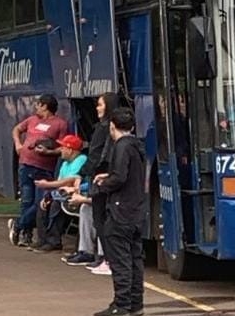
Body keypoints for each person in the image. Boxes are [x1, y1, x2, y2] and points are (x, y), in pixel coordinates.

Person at [94, 107, 146, 316]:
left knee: (120, 260)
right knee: (135, 259)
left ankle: (122, 304)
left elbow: (120, 177)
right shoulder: (136, 146)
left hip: (120, 210)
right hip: (136, 210)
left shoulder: (120, 147)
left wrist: (102, 185)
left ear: (112, 126)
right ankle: (135, 303)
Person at [8, 93, 68, 247]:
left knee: (39, 202)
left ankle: (18, 224)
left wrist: (49, 152)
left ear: (45, 106)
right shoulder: (31, 120)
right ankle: (25, 234)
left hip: (44, 168)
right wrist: (18, 144)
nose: (36, 107)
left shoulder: (60, 124)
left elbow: (63, 147)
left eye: (38, 104)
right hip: (25, 164)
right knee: (26, 200)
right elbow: (16, 129)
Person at [76, 92, 118, 272]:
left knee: (100, 218)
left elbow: (98, 155)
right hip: (98, 176)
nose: (97, 108)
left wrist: (85, 172)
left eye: (100, 105)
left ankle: (108, 258)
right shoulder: (103, 127)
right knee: (98, 217)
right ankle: (105, 258)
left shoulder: (105, 128)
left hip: (100, 178)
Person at [31, 134, 87, 252]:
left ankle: (54, 241)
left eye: (63, 147)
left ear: (70, 150)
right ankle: (42, 239)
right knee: (43, 203)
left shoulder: (81, 160)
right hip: (62, 192)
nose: (60, 150)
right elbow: (59, 181)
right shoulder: (65, 163)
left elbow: (70, 181)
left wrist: (48, 185)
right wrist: (48, 195)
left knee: (56, 204)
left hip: (76, 193)